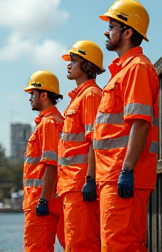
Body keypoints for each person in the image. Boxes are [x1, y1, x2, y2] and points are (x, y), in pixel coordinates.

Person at [93, 0, 159, 252]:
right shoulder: (123, 72)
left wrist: (127, 170)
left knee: (120, 246)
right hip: (112, 175)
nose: (106, 31)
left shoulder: (137, 69)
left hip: (122, 173)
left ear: (128, 32)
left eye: (111, 26)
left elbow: (140, 123)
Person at [57, 40, 104, 251]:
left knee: (82, 244)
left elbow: (94, 139)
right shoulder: (78, 98)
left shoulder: (91, 95)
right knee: (73, 244)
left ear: (86, 65)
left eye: (73, 60)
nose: (69, 64)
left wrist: (90, 179)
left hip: (80, 184)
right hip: (71, 186)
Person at [23, 70, 65, 252]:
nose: (30, 98)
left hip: (40, 202)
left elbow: (51, 164)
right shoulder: (50, 121)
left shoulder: (49, 123)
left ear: (44, 94)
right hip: (42, 201)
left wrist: (43, 201)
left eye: (32, 93)